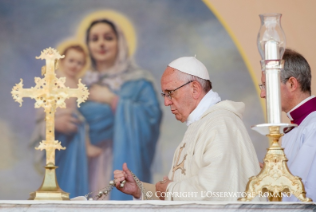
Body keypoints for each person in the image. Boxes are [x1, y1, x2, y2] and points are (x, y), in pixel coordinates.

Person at [113, 57, 260, 201]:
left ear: (195, 89)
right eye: (164, 94)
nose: (166, 102)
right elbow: (179, 195)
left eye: (170, 93)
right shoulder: (200, 125)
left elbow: (215, 191)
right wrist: (140, 190)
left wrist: (170, 190)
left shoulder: (221, 124)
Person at [78, 18, 162, 200]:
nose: (101, 43)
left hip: (123, 157)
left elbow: (151, 118)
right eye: (94, 39)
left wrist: (112, 100)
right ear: (88, 46)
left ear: (120, 43)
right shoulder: (78, 84)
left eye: (108, 38)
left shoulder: (139, 82)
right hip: (87, 164)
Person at [31, 41, 93, 198]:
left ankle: (74, 194)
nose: (75, 65)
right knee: (62, 167)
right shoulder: (54, 79)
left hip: (74, 132)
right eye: (71, 60)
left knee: (74, 165)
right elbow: (43, 109)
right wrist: (55, 120)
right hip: (57, 131)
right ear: (62, 61)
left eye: (80, 63)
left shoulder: (77, 83)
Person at [259, 49, 316, 202]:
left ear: (291, 84)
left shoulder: (313, 126)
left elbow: (305, 191)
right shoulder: (295, 126)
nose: (262, 94)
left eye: (266, 85)